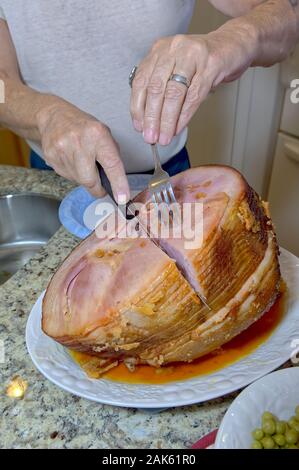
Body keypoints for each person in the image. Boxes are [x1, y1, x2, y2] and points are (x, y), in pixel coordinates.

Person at [0, 0, 298, 202]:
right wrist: (44, 115)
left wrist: (239, 36)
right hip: (54, 174)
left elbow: (288, 13)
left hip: (165, 175)